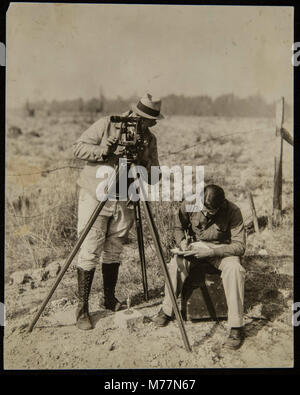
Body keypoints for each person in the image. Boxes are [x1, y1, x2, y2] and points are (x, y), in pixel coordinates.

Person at [72, 93, 163, 330]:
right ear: (134, 114)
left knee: (114, 249)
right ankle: (82, 308)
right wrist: (104, 151)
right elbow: (78, 148)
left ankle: (109, 298)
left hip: (124, 197)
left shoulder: (149, 139)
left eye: (150, 122)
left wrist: (143, 164)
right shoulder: (107, 124)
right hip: (96, 194)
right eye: (143, 120)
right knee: (90, 248)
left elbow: (154, 176)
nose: (145, 125)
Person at [153, 184, 246, 350]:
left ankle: (237, 326)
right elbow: (178, 226)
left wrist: (211, 252)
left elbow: (239, 246)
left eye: (210, 212)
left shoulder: (233, 211)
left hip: (220, 250)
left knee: (235, 269)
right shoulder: (190, 202)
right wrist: (182, 242)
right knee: (175, 264)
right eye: (202, 208)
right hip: (195, 247)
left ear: (221, 205)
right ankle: (167, 310)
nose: (205, 214)